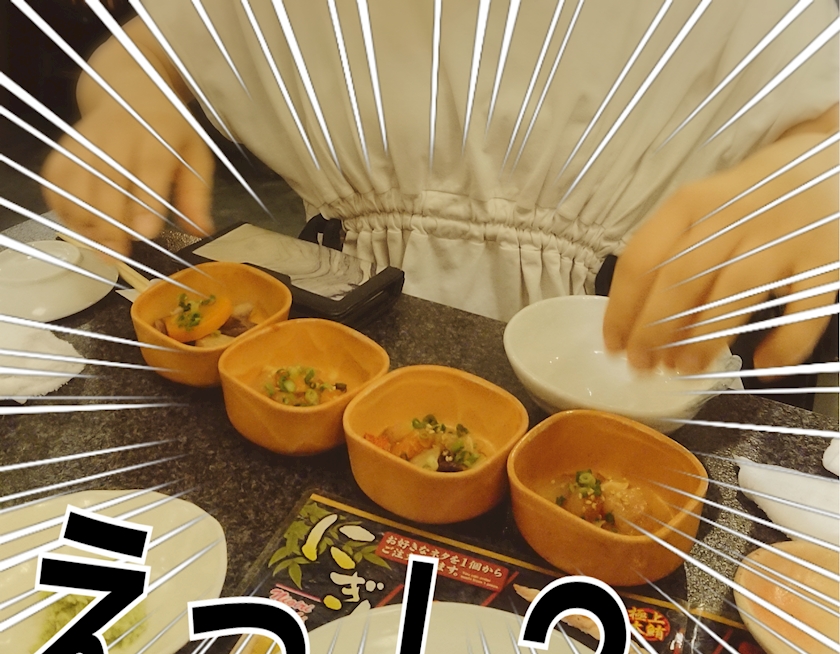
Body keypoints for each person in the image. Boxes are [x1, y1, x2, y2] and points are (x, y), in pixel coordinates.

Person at [41, 0, 838, 374]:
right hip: (349, 313)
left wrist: (812, 167)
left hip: (617, 341)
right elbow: (168, 37)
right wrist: (131, 99)